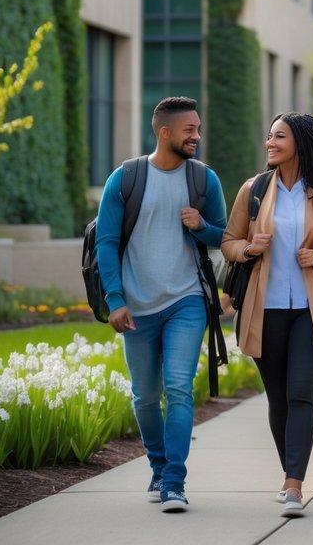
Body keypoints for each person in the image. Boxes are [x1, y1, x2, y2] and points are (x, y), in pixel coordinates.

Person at [220, 112, 313, 518]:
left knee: (301, 393)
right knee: (279, 399)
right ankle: (289, 471)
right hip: (266, 307)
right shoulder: (255, 189)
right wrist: (249, 249)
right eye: (269, 136)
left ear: (301, 141)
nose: (270, 143)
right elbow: (229, 241)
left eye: (279, 136)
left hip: (312, 311)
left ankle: (294, 483)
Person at [96, 96, 227, 513]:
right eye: (190, 130)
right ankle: (157, 465)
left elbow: (224, 236)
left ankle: (174, 481)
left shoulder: (204, 180)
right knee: (145, 396)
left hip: (186, 300)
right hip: (135, 305)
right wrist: (115, 300)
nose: (197, 137)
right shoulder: (125, 178)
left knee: (177, 388)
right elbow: (107, 242)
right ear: (164, 132)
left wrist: (201, 226)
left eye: (199, 129)